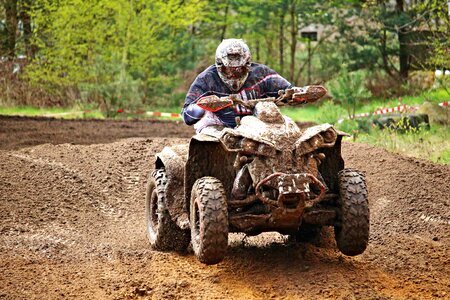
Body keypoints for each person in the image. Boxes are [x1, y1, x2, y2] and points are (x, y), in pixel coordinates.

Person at [182, 38, 324, 132]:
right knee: (209, 138)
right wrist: (200, 108)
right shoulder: (206, 79)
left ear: (248, 65)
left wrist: (299, 94)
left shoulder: (262, 74)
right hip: (219, 125)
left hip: (258, 126)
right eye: (229, 69)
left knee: (288, 132)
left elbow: (287, 90)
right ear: (219, 65)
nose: (234, 73)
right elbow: (186, 114)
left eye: (240, 69)